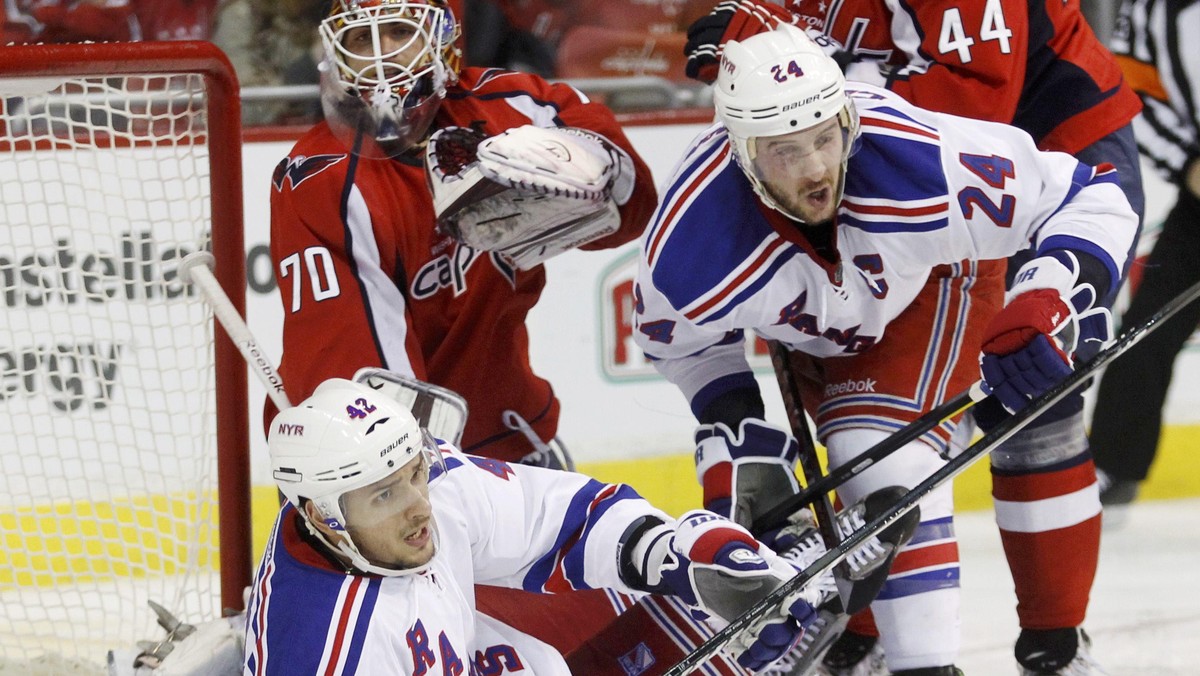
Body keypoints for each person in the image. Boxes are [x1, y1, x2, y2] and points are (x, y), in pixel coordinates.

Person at [266, 1, 761, 673]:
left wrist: (573, 168)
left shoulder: (510, 106)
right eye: (361, 38)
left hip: (512, 446)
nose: (379, 56)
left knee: (652, 629)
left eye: (396, 33)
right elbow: (368, 407)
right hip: (393, 494)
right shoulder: (323, 182)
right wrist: (447, 496)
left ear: (442, 44)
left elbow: (634, 205)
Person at [633, 24, 1137, 676]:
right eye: (787, 151)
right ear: (742, 152)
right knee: (819, 482)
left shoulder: (911, 158)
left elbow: (1090, 193)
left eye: (826, 136)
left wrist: (1045, 298)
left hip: (931, 286)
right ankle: (863, 628)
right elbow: (685, 343)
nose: (817, 168)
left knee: (871, 453)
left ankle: (928, 664)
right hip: (824, 332)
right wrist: (733, 417)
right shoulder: (690, 244)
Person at [243, 377, 894, 674]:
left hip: (475, 650)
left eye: (414, 472)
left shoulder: (425, 489)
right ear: (325, 517)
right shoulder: (322, 650)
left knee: (592, 601)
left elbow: (565, 522)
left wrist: (678, 555)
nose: (419, 503)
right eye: (386, 494)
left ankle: (728, 625)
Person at [1088, 0, 1200, 510]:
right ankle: (1114, 462)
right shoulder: (1156, 9)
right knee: (1149, 329)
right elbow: (1133, 94)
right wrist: (1188, 164)